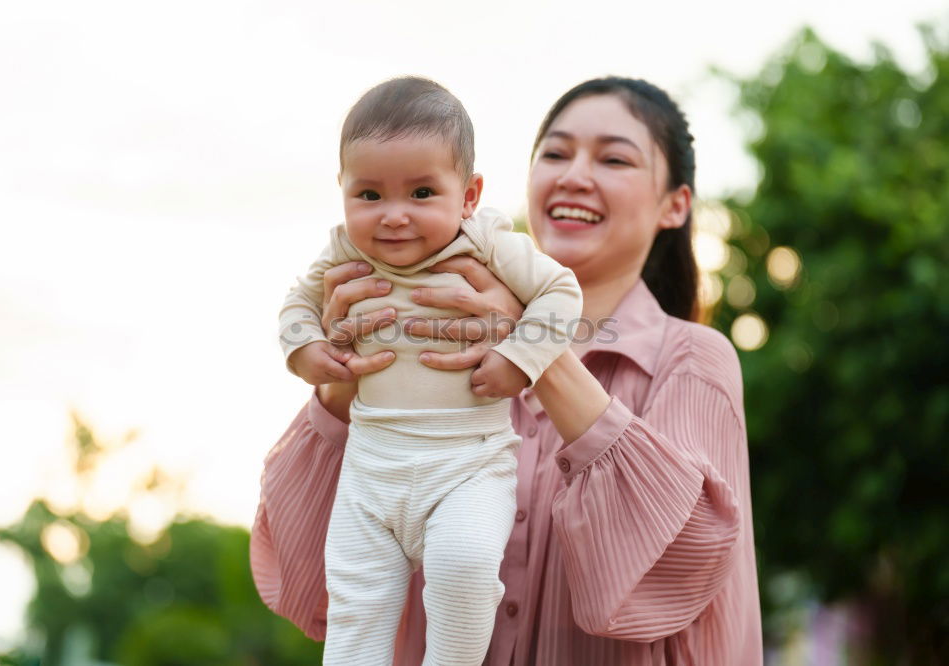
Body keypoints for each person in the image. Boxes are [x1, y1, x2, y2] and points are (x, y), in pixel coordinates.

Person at [251, 76, 763, 665]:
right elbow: (305, 586)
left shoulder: (692, 360)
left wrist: (528, 346)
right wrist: (348, 367)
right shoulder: (416, 340)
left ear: (675, 204)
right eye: (555, 152)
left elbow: (673, 578)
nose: (574, 175)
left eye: (614, 158)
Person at [277, 76, 582, 665]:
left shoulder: (486, 241)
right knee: (357, 604)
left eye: (421, 192)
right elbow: (297, 304)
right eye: (369, 195)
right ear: (342, 190)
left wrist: (517, 359)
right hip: (372, 465)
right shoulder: (344, 251)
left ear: (468, 195)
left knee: (465, 570)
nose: (393, 217)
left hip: (467, 462)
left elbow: (560, 293)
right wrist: (306, 351)